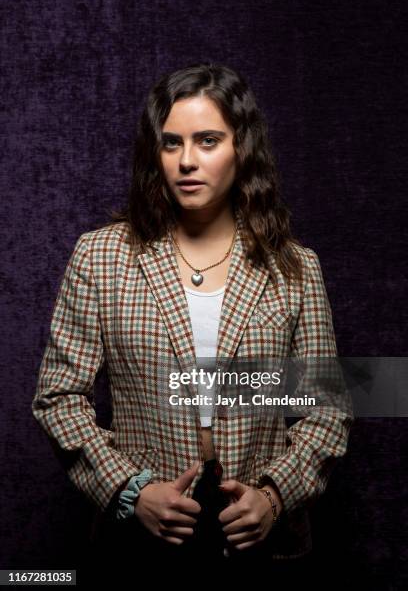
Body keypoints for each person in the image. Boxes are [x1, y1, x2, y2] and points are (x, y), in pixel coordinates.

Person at [32, 62, 353, 585]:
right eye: (171, 143)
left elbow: (328, 412)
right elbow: (58, 397)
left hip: (259, 544)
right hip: (140, 542)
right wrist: (130, 490)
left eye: (207, 141)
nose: (186, 161)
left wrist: (274, 497)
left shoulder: (293, 268)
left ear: (241, 148)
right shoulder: (100, 257)